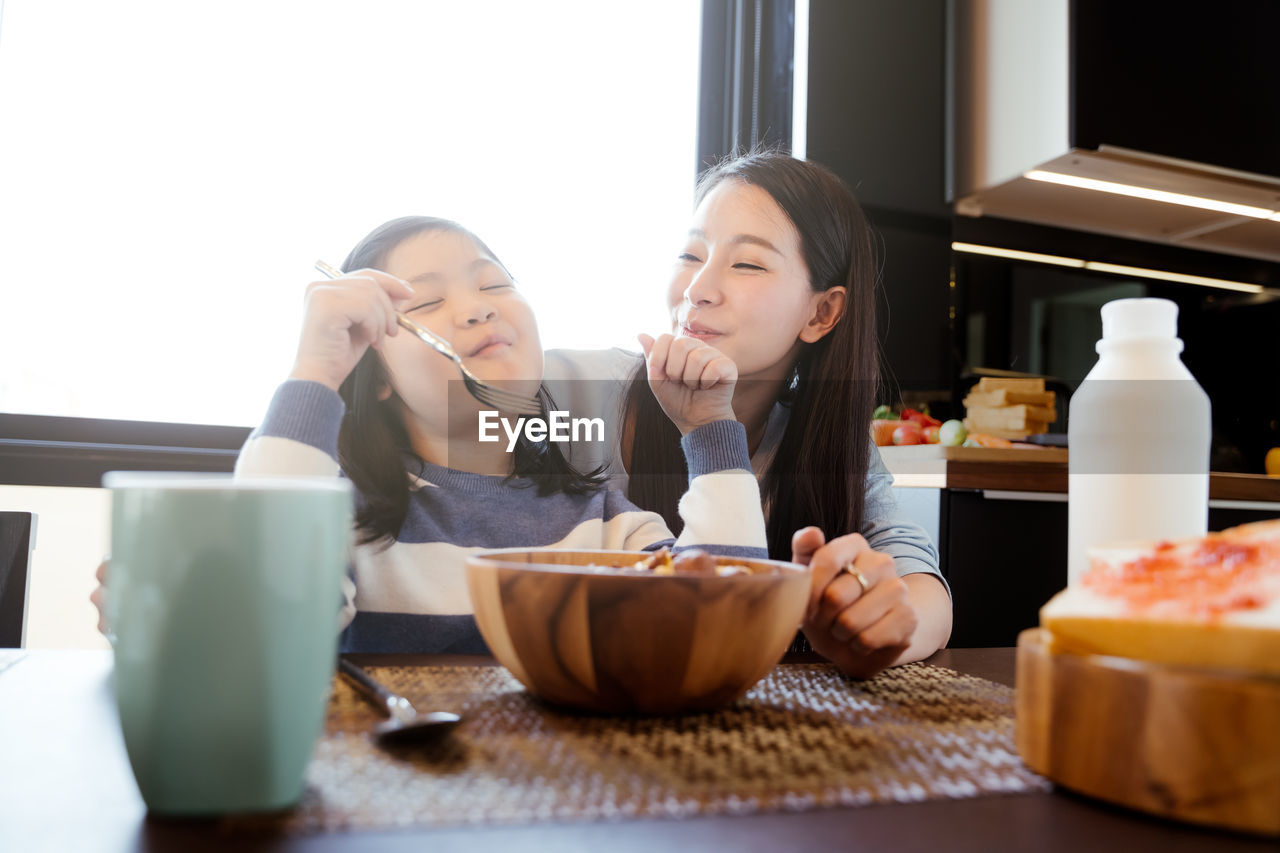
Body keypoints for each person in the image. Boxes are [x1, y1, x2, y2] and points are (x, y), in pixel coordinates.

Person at [97, 215, 770, 654]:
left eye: (493, 283)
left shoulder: (605, 525)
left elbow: (723, 631)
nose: (475, 306)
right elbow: (253, 630)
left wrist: (711, 430)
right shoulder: (345, 524)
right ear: (377, 375)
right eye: (424, 304)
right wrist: (315, 375)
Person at [543, 151, 952, 677]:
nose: (697, 290)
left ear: (822, 312)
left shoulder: (825, 440)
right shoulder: (577, 390)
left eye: (746, 264)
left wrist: (880, 624)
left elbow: (920, 584)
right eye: (691, 256)